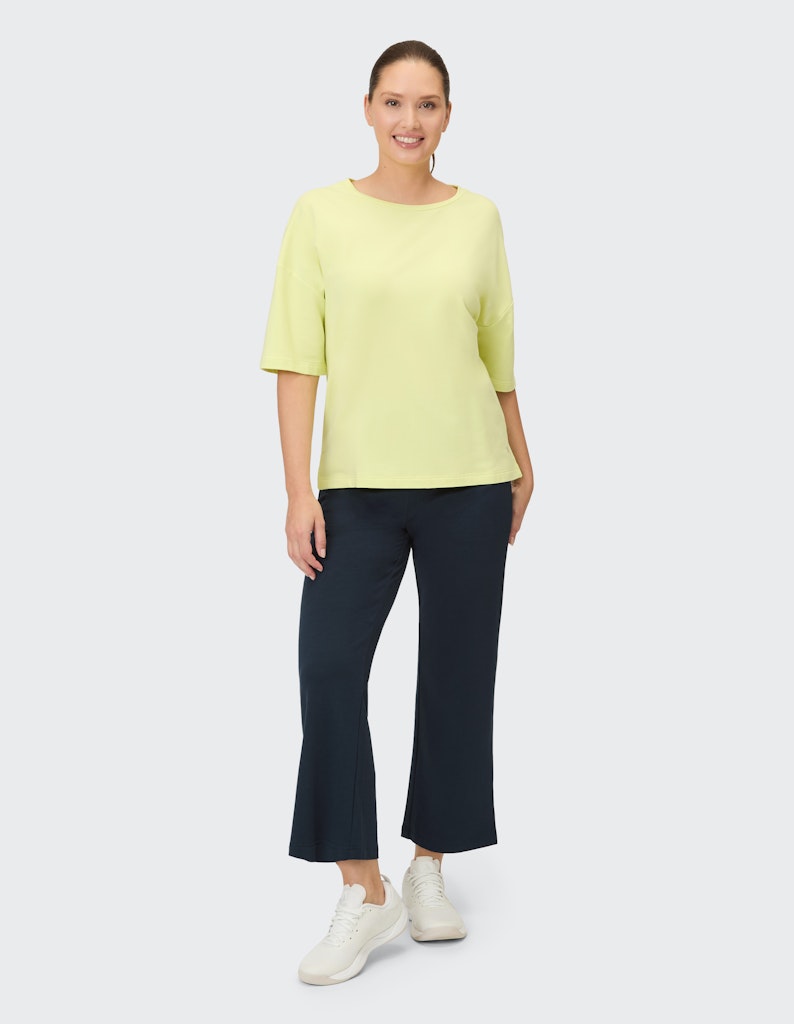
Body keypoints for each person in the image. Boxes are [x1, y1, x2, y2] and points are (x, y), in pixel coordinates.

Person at [260, 39, 534, 986]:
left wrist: (522, 459)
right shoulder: (320, 214)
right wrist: (298, 490)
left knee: (457, 677)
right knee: (330, 669)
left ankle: (428, 868)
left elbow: (496, 351)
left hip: (471, 478)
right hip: (357, 490)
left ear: (448, 115)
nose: (409, 120)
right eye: (393, 102)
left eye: (427, 104)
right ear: (368, 109)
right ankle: (364, 886)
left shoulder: (479, 218)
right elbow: (297, 359)